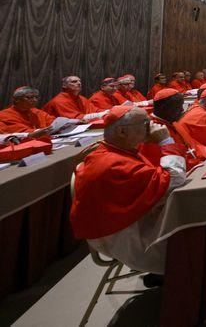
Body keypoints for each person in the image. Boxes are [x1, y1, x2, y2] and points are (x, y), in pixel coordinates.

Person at [70, 106, 186, 280]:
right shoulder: (113, 164)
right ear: (122, 131)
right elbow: (174, 179)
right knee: (198, 233)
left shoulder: (113, 149)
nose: (152, 127)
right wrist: (166, 142)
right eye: (145, 123)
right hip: (128, 237)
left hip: (130, 223)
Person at [151, 89, 206, 169]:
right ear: (163, 108)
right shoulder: (152, 132)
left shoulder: (172, 121)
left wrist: (201, 154)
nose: (182, 110)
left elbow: (190, 144)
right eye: (178, 107)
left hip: (197, 165)